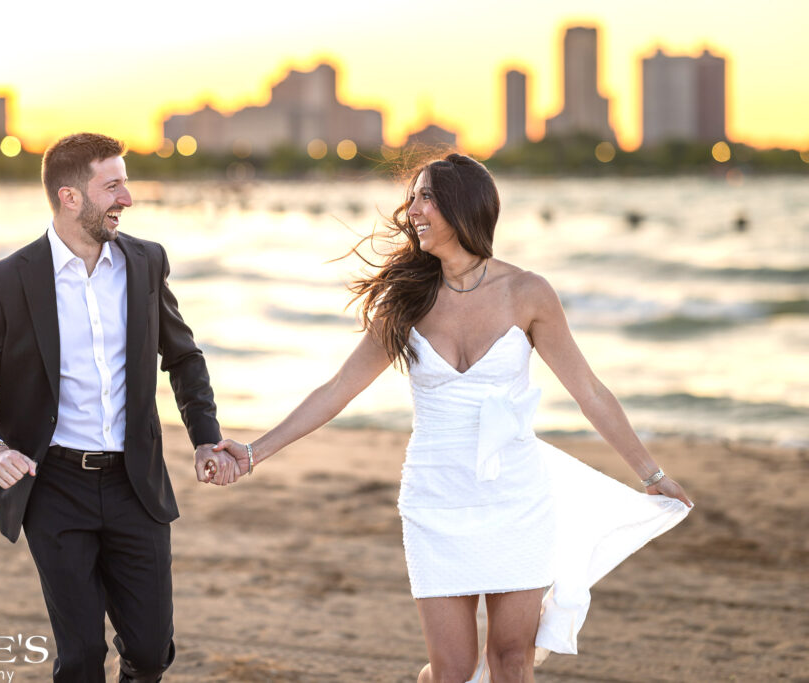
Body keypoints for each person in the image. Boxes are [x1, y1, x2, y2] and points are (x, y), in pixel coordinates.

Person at [213, 154, 693, 682]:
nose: (412, 209)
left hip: (515, 493)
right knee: (453, 669)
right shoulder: (407, 301)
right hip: (435, 496)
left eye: (426, 197)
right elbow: (336, 390)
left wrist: (650, 473)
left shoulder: (527, 293)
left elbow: (589, 390)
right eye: (413, 196)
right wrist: (255, 451)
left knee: (512, 659)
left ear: (464, 209)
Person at [0, 132, 235, 682]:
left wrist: (205, 437)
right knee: (80, 659)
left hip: (135, 483)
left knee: (150, 652)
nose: (127, 198)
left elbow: (184, 356)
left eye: (125, 183)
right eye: (113, 186)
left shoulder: (146, 263)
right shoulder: (8, 281)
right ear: (70, 197)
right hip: (53, 486)